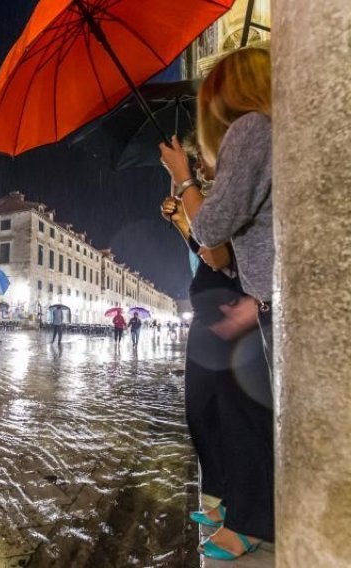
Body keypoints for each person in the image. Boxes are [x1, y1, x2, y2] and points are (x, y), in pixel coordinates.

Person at [160, 47, 273, 560]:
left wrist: (184, 177)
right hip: (256, 296)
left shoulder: (252, 128)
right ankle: (243, 506)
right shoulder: (266, 130)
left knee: (245, 413)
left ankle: (253, 520)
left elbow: (213, 229)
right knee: (230, 410)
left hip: (261, 299)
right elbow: (221, 253)